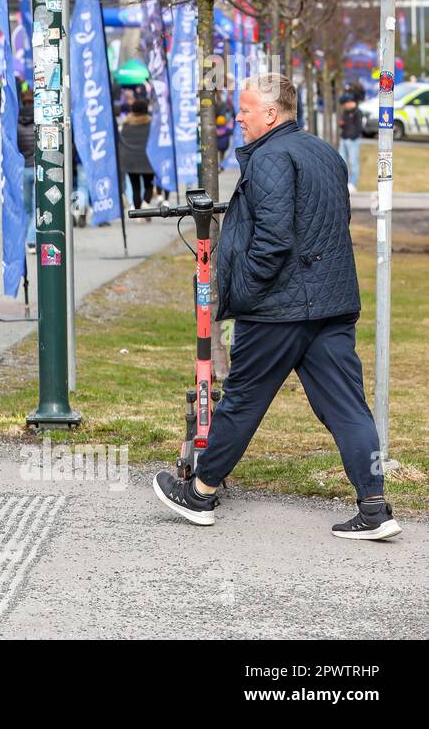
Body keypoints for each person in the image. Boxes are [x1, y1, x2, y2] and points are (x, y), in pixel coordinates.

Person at [154, 73, 401, 541]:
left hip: (280, 307)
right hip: (329, 303)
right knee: (348, 408)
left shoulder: (269, 157)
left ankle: (200, 492)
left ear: (270, 114)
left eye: (245, 109)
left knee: (243, 399)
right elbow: (330, 221)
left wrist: (244, 292)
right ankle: (374, 507)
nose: (238, 117)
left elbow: (272, 238)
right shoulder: (323, 151)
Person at [118, 99, 155, 211]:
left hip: (130, 160)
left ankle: (138, 213)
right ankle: (146, 202)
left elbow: (121, 142)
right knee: (149, 184)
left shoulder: (125, 125)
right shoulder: (151, 125)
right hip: (147, 160)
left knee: (135, 188)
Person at [17, 102, 36, 249]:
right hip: (37, 169)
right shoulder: (37, 128)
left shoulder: (17, 129)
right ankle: (31, 239)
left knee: (28, 208)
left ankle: (29, 234)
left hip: (24, 170)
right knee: (37, 207)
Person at [338, 94, 362, 193]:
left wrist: (353, 137)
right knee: (343, 161)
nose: (344, 107)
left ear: (348, 102)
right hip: (344, 138)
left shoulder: (357, 112)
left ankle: (353, 184)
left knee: (353, 162)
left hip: (353, 140)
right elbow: (344, 124)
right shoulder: (345, 112)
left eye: (344, 104)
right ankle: (344, 182)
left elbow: (359, 127)